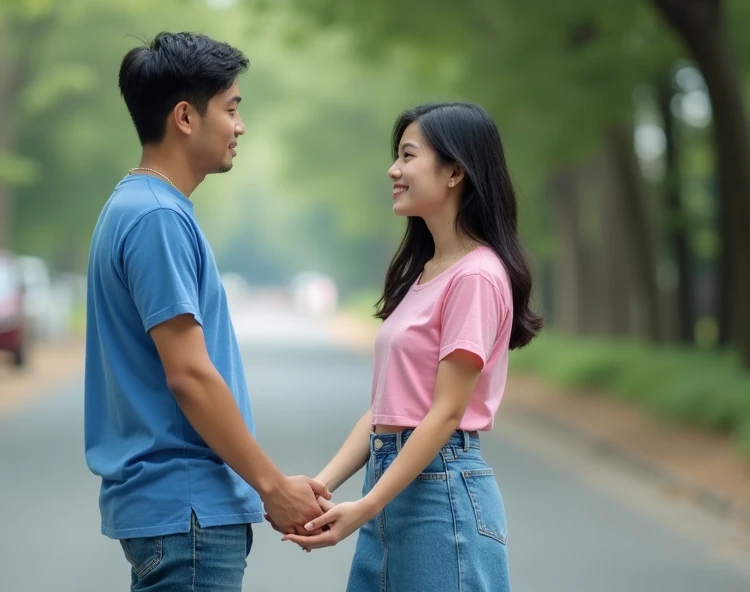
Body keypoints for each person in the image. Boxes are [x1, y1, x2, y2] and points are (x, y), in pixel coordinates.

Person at [84, 32, 329, 591]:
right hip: (188, 509)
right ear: (185, 118)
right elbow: (190, 375)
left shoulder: (140, 207)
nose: (240, 125)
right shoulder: (156, 218)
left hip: (179, 514)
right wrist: (272, 486)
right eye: (232, 108)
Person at [279, 102, 543, 591]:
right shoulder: (425, 275)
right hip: (392, 484)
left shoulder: (478, 277)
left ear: (454, 172)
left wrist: (367, 506)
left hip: (439, 498)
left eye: (407, 155)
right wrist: (323, 487)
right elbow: (386, 410)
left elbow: (444, 414)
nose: (393, 170)